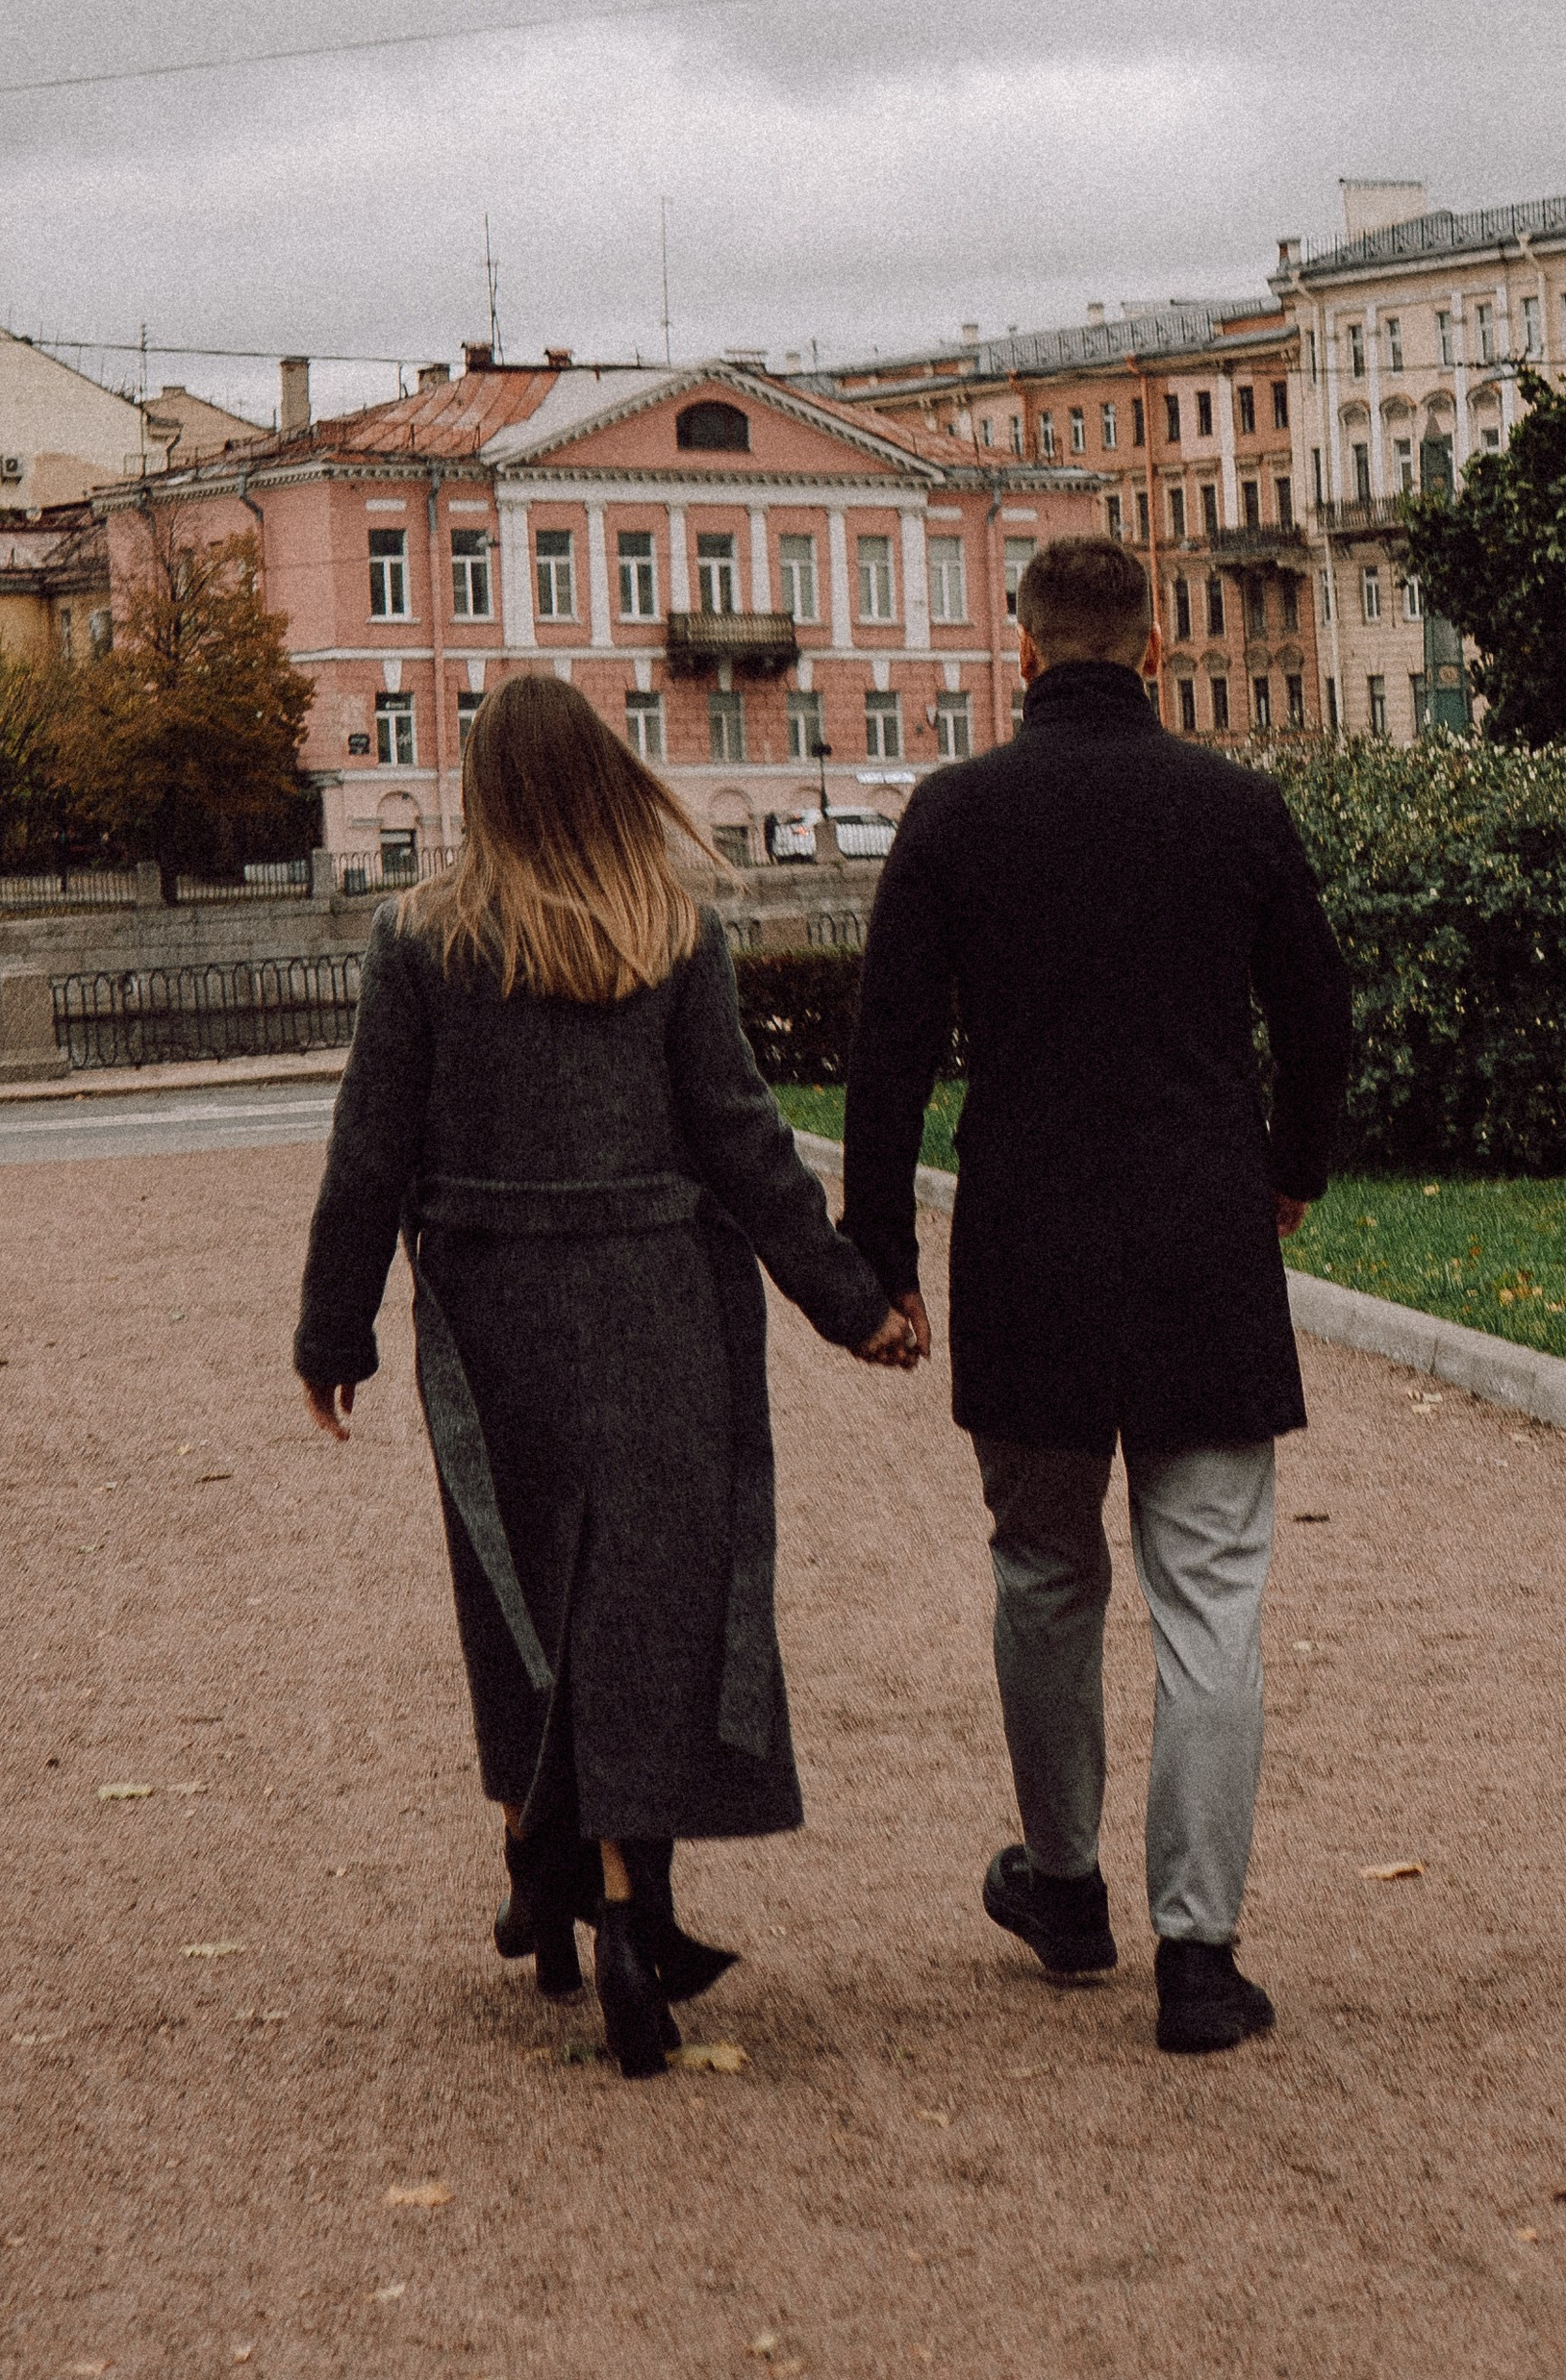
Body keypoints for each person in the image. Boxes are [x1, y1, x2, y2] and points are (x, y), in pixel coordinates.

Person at [295, 674, 919, 2081]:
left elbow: (367, 1153)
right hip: (656, 1305)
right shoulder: (673, 934)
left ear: (483, 790)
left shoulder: (419, 941)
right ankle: (637, 1911)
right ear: (609, 776)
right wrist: (850, 1303)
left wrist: (334, 1334)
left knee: (521, 1595)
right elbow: (745, 1141)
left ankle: (536, 1856)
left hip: (494, 1306)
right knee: (645, 1605)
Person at [843, 533, 1351, 2056]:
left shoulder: (955, 814)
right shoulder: (1237, 807)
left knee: (1043, 1574)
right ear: (1153, 652)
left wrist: (885, 1263)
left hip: (1030, 1252)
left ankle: (1063, 1888)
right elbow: (1320, 1010)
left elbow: (886, 1060)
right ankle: (1200, 1954)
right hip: (1203, 1247)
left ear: (1021, 653)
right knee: (1212, 1599)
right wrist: (1292, 1169)